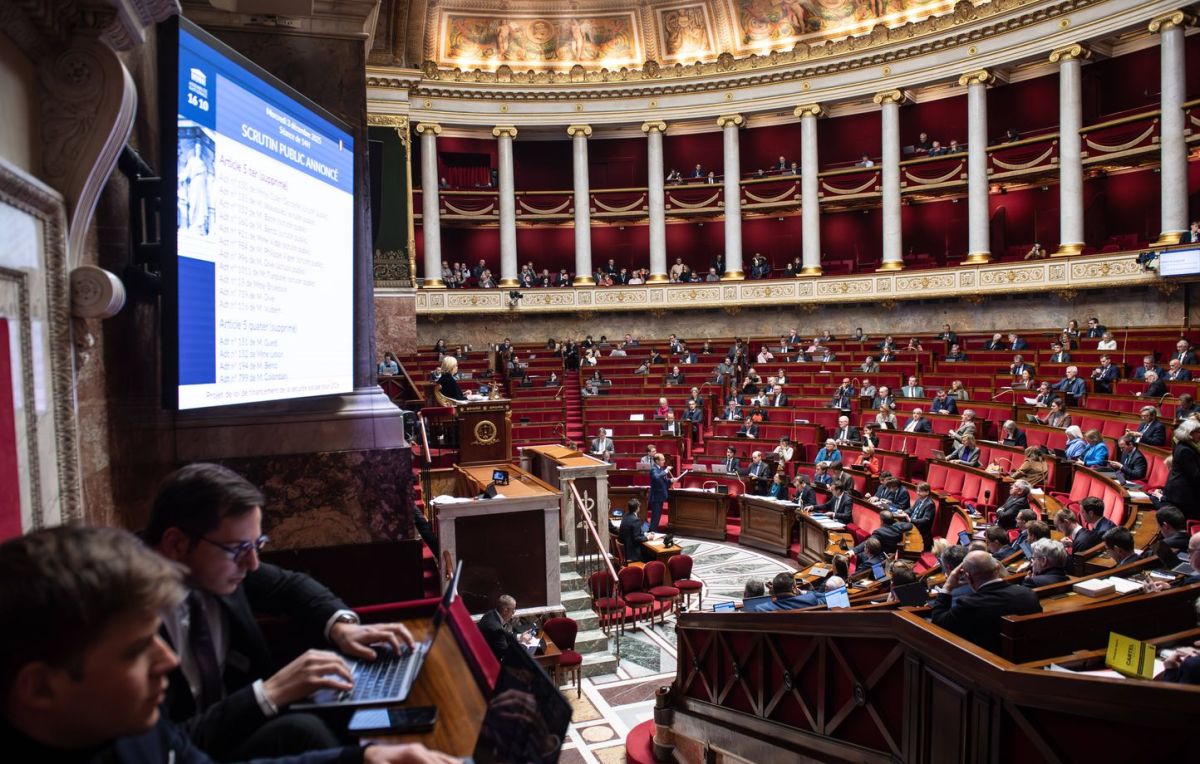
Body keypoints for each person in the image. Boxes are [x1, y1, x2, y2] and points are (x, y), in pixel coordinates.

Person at [0, 526, 453, 764]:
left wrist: (362, 760)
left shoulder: (126, 725)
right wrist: (270, 693)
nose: (168, 658)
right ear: (40, 688)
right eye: (138, 649)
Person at [145, 465, 423, 758]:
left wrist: (343, 627)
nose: (252, 564)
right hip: (192, 750)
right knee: (303, 731)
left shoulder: (216, 566)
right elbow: (161, 749)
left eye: (257, 545)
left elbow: (290, 586)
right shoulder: (126, 619)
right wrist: (269, 693)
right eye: (239, 549)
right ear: (176, 543)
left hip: (236, 727)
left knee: (347, 705)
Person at [929, 551, 1042, 652]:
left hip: (987, 667)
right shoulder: (1028, 594)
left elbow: (939, 624)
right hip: (1030, 657)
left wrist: (948, 586)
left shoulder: (969, 604)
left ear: (968, 576)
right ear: (997, 568)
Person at [1162, 420, 1200, 519]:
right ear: (1190, 433)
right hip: (1183, 494)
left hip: (1179, 491)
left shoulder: (1182, 445)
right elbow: (1195, 474)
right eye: (1198, 432)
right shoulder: (1185, 450)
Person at [753, 572, 820, 611]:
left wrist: (773, 595)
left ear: (774, 591)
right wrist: (801, 592)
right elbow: (825, 596)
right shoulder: (810, 599)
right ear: (793, 588)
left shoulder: (761, 609)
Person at [649, 453, 673, 531]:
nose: (664, 461)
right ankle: (652, 532)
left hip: (660, 496)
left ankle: (654, 531)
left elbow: (664, 482)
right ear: (657, 461)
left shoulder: (660, 469)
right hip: (656, 497)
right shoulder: (654, 469)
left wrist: (671, 480)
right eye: (662, 460)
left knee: (658, 516)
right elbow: (656, 477)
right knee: (655, 516)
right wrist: (666, 471)